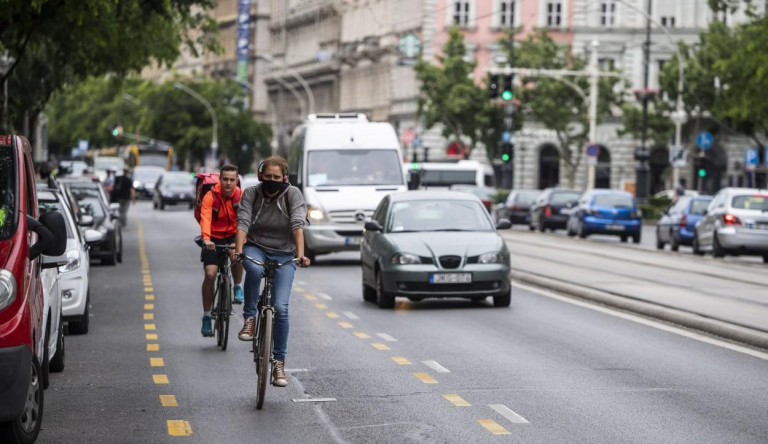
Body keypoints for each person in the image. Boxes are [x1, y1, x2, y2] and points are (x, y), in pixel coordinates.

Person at [235, 156, 310, 387]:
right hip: (256, 247)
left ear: (284, 178)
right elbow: (243, 223)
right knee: (254, 271)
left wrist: (301, 254)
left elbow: (297, 224)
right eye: (268, 177)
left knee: (281, 307)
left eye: (276, 177)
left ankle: (279, 363)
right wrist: (239, 250)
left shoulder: (292, 195)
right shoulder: (251, 194)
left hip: (284, 253)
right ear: (260, 176)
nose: (272, 181)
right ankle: (250, 318)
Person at [199, 164, 245, 337]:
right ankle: (206, 316)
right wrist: (206, 238)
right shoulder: (211, 196)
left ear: (237, 180)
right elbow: (205, 218)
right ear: (219, 180)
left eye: (232, 180)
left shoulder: (240, 196)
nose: (228, 183)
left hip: (234, 235)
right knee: (210, 274)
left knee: (237, 254)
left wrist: (240, 241)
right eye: (225, 179)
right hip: (213, 239)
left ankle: (238, 286)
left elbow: (245, 219)